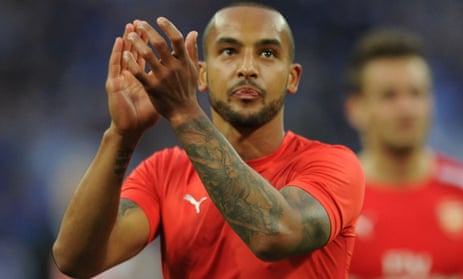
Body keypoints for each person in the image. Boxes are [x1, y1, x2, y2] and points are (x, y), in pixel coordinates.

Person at [52, 2, 365, 278]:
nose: (247, 68)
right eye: (229, 51)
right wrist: (122, 134)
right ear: (200, 74)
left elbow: (275, 234)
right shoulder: (164, 172)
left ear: (292, 77)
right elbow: (75, 260)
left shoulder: (332, 164)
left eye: (267, 53)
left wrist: (184, 112)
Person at [345, 28, 463, 278]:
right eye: (389, 96)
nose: (407, 109)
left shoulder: (461, 189)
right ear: (356, 108)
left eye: (416, 93)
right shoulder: (331, 202)